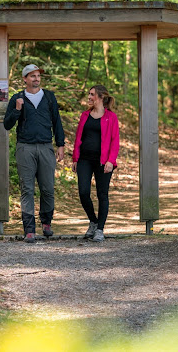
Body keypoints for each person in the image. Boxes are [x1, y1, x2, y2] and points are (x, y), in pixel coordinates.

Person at [3, 64, 65, 243]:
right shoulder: (18, 98)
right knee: (27, 189)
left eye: (38, 76)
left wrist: (60, 145)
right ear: (24, 79)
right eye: (32, 76)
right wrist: (17, 110)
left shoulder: (49, 97)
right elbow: (7, 125)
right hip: (25, 148)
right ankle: (29, 229)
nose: (36, 79)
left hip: (46, 147)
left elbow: (57, 123)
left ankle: (46, 223)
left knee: (47, 188)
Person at [72, 85, 119, 242]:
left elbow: (115, 141)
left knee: (102, 194)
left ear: (100, 97)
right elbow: (78, 138)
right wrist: (75, 159)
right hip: (85, 160)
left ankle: (99, 229)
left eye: (92, 95)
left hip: (103, 161)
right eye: (89, 94)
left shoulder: (111, 117)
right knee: (83, 192)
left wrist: (111, 161)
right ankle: (93, 221)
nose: (89, 97)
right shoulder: (85, 115)